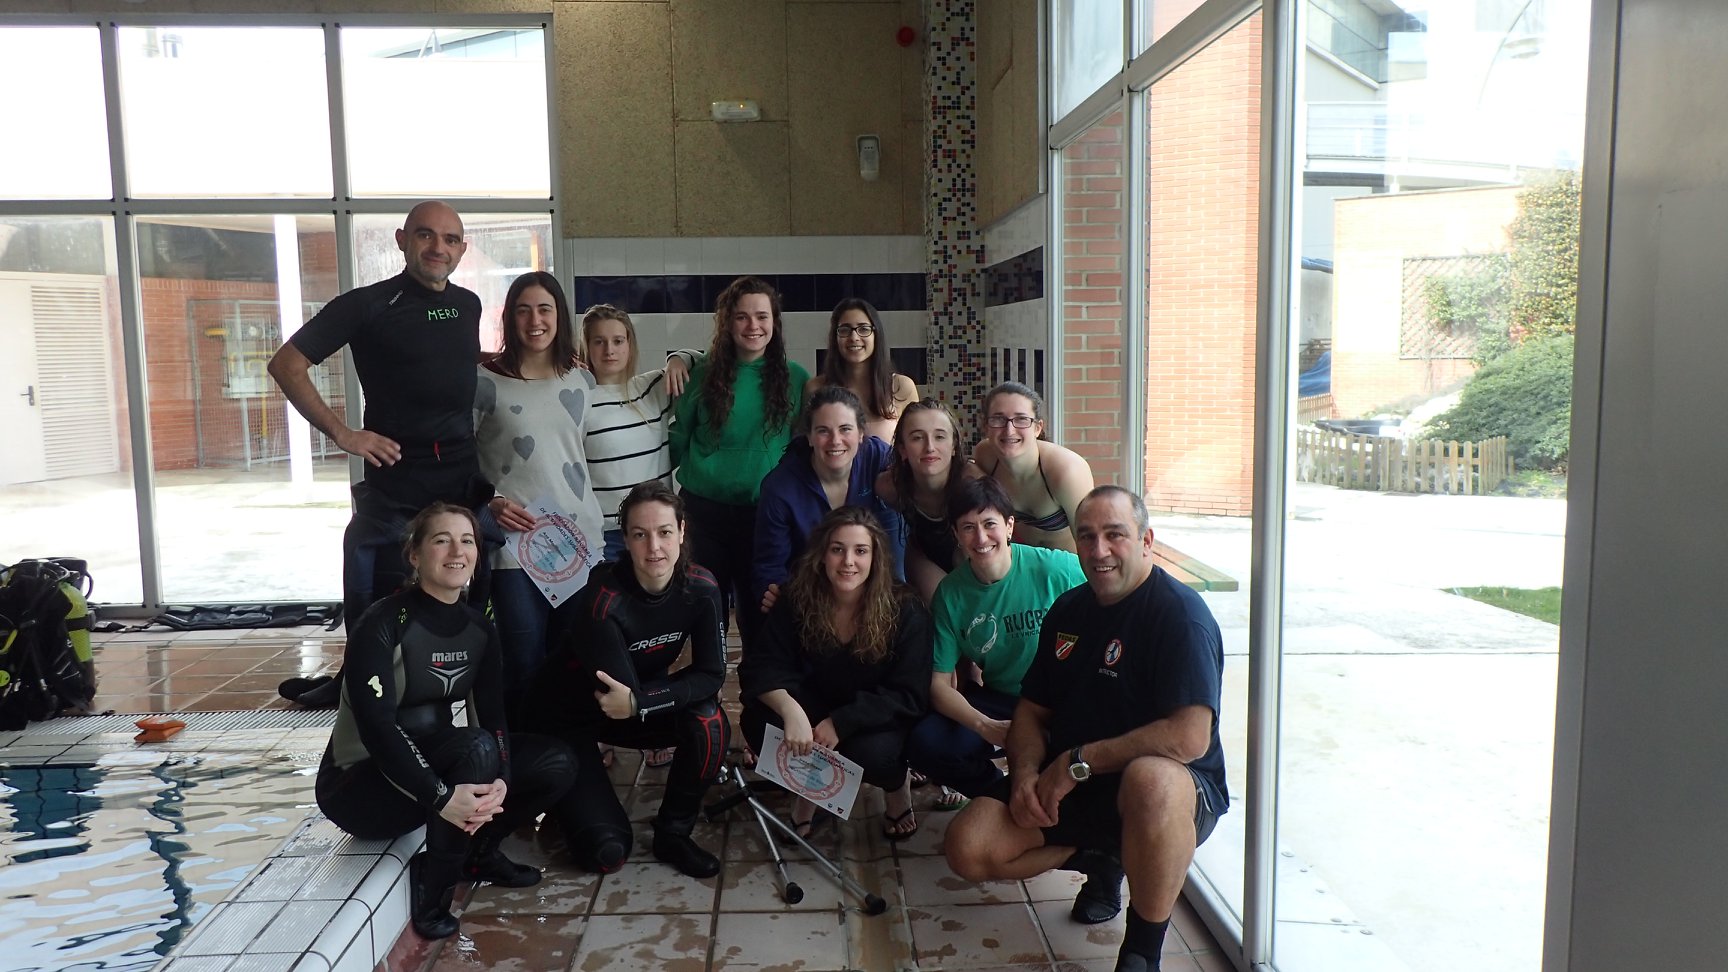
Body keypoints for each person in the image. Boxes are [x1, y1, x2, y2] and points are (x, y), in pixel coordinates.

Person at [943, 486, 1228, 972]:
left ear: (1146, 540)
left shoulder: (1180, 615)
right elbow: (1032, 710)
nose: (1098, 551)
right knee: (967, 846)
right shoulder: (1069, 610)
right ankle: (1103, 854)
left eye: (1114, 535)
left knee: (1151, 780)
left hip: (1169, 791)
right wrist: (1029, 772)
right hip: (1075, 785)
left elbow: (1188, 738)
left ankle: (1142, 950)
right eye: (1087, 536)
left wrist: (1076, 763)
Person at [314, 503, 576, 941]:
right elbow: (378, 728)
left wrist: (504, 781)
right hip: (359, 786)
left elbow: (491, 716)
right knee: (474, 749)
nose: (458, 551)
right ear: (414, 555)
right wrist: (438, 796)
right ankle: (434, 892)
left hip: (434, 767)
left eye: (467, 540)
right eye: (442, 540)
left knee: (556, 762)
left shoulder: (478, 628)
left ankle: (479, 853)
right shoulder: (382, 623)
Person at [269, 201, 492, 708]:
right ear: (401, 239)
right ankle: (358, 685)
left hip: (459, 474)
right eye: (426, 235)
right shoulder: (366, 304)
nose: (438, 247)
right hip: (397, 477)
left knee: (465, 590)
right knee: (377, 596)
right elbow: (286, 364)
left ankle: (460, 689)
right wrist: (343, 433)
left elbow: (452, 366)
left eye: (450, 239)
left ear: (462, 248)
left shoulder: (468, 305)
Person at [903, 476, 1118, 916]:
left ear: (1010, 525)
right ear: (956, 535)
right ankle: (1009, 798)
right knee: (926, 741)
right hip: (1005, 699)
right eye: (967, 528)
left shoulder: (1056, 568)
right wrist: (988, 727)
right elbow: (938, 685)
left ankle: (1104, 867)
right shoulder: (953, 593)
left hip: (1069, 700)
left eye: (989, 524)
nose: (980, 538)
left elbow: (1115, 608)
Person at [524, 482, 730, 878]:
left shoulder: (702, 588)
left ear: (682, 532)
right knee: (608, 854)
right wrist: (642, 701)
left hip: (628, 707)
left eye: (665, 532)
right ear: (626, 540)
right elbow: (618, 699)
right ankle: (573, 787)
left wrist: (642, 702)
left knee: (709, 723)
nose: (654, 547)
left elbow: (712, 675)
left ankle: (674, 833)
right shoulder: (603, 598)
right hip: (569, 721)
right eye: (640, 534)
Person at [738, 507, 932, 840]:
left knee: (872, 756)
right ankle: (809, 790)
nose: (848, 562)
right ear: (822, 555)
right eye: (837, 549)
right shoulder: (798, 597)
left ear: (876, 559)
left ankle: (896, 786)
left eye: (860, 551)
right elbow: (762, 664)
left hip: (877, 715)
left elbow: (909, 692)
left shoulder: (906, 608)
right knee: (757, 722)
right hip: (817, 702)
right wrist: (792, 712)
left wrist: (841, 722)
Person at [473, 272, 605, 718]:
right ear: (508, 317)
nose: (535, 320)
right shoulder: (483, 382)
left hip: (576, 541)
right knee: (523, 660)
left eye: (545, 309)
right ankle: (522, 760)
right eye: (524, 309)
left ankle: (570, 754)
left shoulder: (582, 381)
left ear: (559, 316)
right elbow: (457, 458)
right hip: (515, 548)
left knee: (572, 659)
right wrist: (487, 501)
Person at [670, 276, 809, 645]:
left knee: (760, 616)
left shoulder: (796, 379)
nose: (753, 326)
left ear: (774, 323)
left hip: (764, 516)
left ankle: (761, 697)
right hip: (703, 514)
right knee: (705, 613)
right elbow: (675, 439)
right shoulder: (700, 375)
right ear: (727, 322)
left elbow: (806, 448)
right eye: (742, 317)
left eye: (762, 317)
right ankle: (706, 696)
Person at [752, 385, 903, 615]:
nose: (835, 440)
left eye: (845, 429)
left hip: (873, 593)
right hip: (809, 599)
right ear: (809, 437)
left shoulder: (879, 460)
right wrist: (781, 597)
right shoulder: (779, 488)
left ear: (861, 434)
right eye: (823, 431)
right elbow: (770, 566)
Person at [581, 303, 700, 563]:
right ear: (587, 347)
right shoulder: (578, 401)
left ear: (630, 345)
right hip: (604, 535)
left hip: (656, 527)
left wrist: (677, 359)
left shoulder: (653, 388)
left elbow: (704, 361)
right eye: (599, 341)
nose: (609, 349)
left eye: (618, 340)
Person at [875, 398, 981, 603]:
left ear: (954, 446)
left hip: (971, 553)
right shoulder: (890, 487)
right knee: (942, 604)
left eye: (940, 437)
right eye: (917, 438)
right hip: (923, 555)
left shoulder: (971, 482)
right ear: (903, 449)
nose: (929, 447)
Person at [971, 381, 1095, 553]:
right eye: (998, 419)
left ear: (1037, 428)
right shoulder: (985, 456)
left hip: (1067, 570)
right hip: (1021, 567)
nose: (1009, 430)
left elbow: (1091, 542)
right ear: (986, 426)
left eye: (1021, 419)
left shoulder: (1067, 470)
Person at [802, 298, 919, 442]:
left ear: (876, 335)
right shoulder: (815, 388)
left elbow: (915, 445)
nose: (854, 337)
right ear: (835, 337)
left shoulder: (902, 387)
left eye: (864, 329)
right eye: (845, 330)